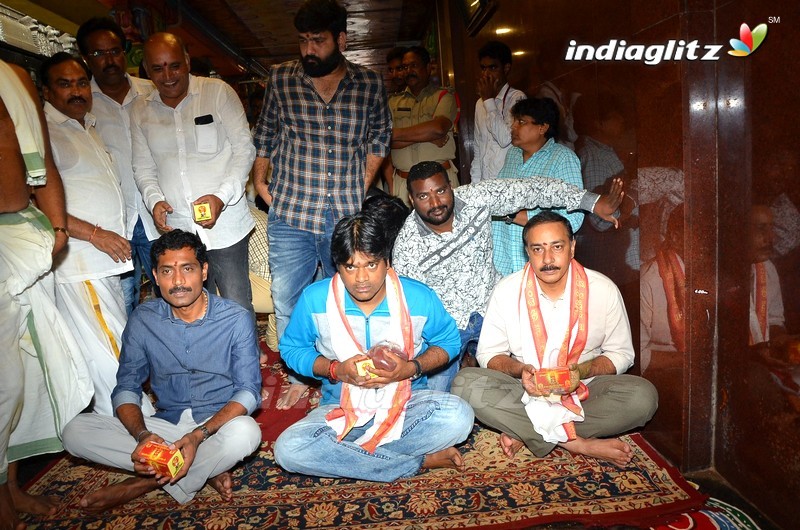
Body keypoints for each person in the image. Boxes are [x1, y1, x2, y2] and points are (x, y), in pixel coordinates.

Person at [251, 0, 392, 409]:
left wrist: (359, 185)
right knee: (288, 299)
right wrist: (260, 180)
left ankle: (347, 369)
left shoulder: (368, 83)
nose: (308, 50)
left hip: (344, 218)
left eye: (318, 40)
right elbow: (267, 133)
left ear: (341, 40)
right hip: (291, 213)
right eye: (303, 41)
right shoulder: (281, 79)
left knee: (348, 295)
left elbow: (380, 138)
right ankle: (301, 374)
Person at [61, 230, 262, 511]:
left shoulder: (235, 318)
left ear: (204, 271)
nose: (178, 281)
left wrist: (197, 436)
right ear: (155, 277)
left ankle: (144, 484)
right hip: (165, 426)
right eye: (167, 271)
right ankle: (207, 467)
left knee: (247, 433)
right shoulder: (144, 318)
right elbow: (127, 387)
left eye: (187, 269)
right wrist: (143, 435)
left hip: (216, 426)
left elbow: (249, 392)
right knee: (74, 431)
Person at [273, 213, 473, 481]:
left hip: (407, 404)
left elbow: (448, 342)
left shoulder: (417, 296)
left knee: (459, 417)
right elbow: (292, 349)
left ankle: (345, 457)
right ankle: (415, 462)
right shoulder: (315, 299)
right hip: (341, 410)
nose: (361, 278)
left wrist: (411, 368)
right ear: (337, 266)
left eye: (371, 264)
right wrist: (335, 370)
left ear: (387, 261)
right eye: (350, 267)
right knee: (288, 450)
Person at [393, 161, 623, 392]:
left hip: (492, 307)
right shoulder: (407, 245)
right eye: (423, 197)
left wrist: (591, 203)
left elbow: (533, 189)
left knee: (526, 377)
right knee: (436, 395)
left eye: (441, 191)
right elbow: (409, 310)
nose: (435, 203)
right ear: (411, 200)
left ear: (451, 187)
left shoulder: (477, 197)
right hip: (448, 326)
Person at [451, 212, 658, 465]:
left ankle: (527, 431)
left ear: (572, 247)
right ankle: (576, 442)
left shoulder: (603, 289)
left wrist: (581, 371)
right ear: (527, 251)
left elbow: (622, 354)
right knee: (464, 383)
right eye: (537, 249)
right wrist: (521, 371)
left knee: (643, 398)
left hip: (584, 389)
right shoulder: (507, 290)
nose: (547, 259)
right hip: (524, 390)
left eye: (557, 247)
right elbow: (488, 355)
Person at [0, 59, 92, 530]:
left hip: (25, 238)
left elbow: (42, 163)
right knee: (5, 384)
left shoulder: (12, 76)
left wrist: (57, 228)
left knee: (31, 374)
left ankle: (12, 488)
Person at [131, 32, 256, 314]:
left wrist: (221, 198)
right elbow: (143, 167)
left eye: (174, 65)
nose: (167, 75)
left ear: (187, 61)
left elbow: (244, 150)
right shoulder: (141, 110)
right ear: (147, 71)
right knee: (192, 306)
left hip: (227, 229)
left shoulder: (217, 93)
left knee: (237, 303)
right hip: (179, 230)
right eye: (157, 68)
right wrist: (154, 200)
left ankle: (244, 356)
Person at [42, 52, 134, 417]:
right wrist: (96, 235)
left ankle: (121, 417)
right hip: (81, 263)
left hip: (102, 263)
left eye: (81, 83)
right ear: (46, 91)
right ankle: (132, 424)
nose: (77, 91)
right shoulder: (44, 132)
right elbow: (41, 203)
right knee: (108, 348)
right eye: (65, 84)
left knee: (110, 341)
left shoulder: (86, 125)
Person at [77, 17, 158, 315]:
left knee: (173, 294)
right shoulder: (81, 104)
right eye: (98, 54)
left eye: (114, 50)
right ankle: (131, 361)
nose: (108, 60)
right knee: (123, 303)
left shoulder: (152, 92)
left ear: (124, 51)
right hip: (113, 224)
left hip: (157, 217)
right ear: (85, 58)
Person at [492, 97, 584, 276]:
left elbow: (573, 216)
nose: (513, 128)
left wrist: (518, 216)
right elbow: (498, 195)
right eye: (514, 122)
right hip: (503, 259)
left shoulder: (562, 158)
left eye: (521, 122)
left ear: (543, 127)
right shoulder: (513, 154)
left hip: (540, 263)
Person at [389, 46, 459, 204]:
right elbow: (387, 139)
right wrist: (427, 136)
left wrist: (397, 134)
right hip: (403, 185)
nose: (408, 71)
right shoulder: (392, 102)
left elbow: (438, 128)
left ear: (428, 68)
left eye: (414, 65)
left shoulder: (444, 96)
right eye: (405, 67)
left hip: (440, 182)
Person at [470, 41, 526, 185]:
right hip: (484, 183)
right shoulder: (479, 103)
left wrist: (489, 101)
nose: (486, 74)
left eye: (492, 67)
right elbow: (478, 147)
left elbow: (505, 139)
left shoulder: (517, 97)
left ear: (506, 68)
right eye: (483, 68)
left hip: (508, 182)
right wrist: (475, 185)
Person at [640, 203, 684, 373]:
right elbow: (640, 355)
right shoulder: (649, 280)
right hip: (666, 373)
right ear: (675, 237)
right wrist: (691, 359)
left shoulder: (714, 275)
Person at [748, 205, 786, 346]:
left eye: (771, 228)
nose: (771, 238)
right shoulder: (718, 275)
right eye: (761, 228)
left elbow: (774, 321)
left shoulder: (767, 268)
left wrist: (781, 341)